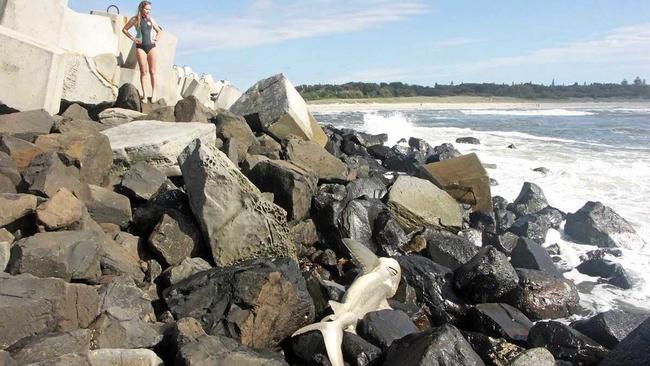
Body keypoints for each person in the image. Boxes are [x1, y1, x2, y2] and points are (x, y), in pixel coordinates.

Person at [122, 1, 162, 103]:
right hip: (140, 47)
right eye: (146, 9)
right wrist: (133, 38)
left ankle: (154, 94)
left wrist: (156, 39)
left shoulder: (151, 20)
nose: (148, 11)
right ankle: (144, 95)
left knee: (152, 72)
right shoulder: (135, 19)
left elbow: (159, 31)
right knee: (144, 72)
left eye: (149, 9)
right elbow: (125, 29)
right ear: (141, 8)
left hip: (151, 47)